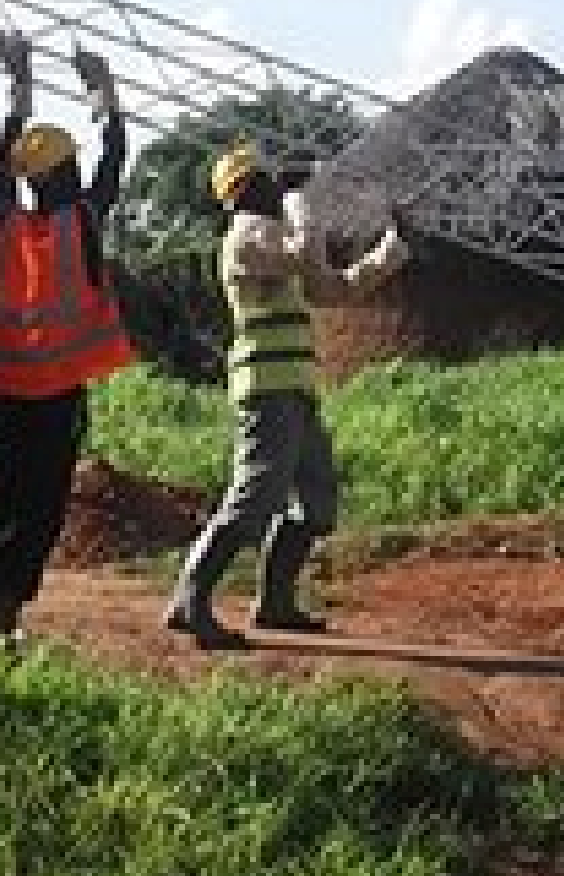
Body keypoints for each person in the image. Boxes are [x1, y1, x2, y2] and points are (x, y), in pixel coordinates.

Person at [163, 144, 410, 650]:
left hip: (294, 389)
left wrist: (390, 251)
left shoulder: (275, 239)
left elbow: (333, 287)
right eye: (267, 179)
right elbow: (302, 255)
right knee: (253, 497)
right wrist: (302, 201)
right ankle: (189, 598)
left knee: (316, 504)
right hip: (266, 391)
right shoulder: (246, 240)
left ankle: (274, 602)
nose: (276, 184)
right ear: (246, 190)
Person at [0, 34, 136, 645]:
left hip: (7, 392)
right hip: (53, 397)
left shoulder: (9, 225)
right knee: (36, 516)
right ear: (66, 170)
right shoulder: (79, 221)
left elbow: (0, 164)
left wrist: (19, 84)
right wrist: (103, 89)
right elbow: (116, 156)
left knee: (7, 506)